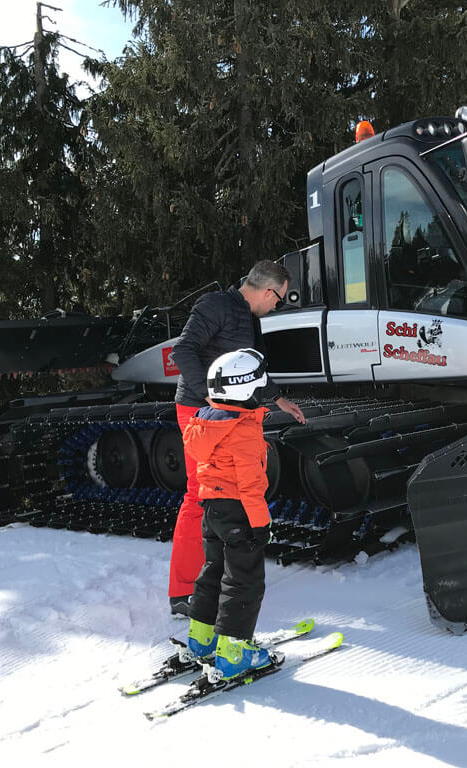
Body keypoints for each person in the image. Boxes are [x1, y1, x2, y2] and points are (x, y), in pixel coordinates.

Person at [168, 261, 305, 617]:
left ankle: (215, 583)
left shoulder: (250, 318)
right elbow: (182, 351)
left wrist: (278, 398)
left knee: (227, 492)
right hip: (200, 413)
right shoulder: (215, 306)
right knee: (200, 495)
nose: (277, 306)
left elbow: (254, 367)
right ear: (267, 291)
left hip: (229, 413)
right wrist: (212, 398)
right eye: (278, 300)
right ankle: (183, 592)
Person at [180, 348, 275, 679]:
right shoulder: (244, 431)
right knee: (244, 580)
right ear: (246, 390)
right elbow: (250, 486)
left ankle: (202, 639)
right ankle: (235, 653)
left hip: (212, 509)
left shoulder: (207, 421)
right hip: (239, 511)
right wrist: (261, 525)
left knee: (213, 571)